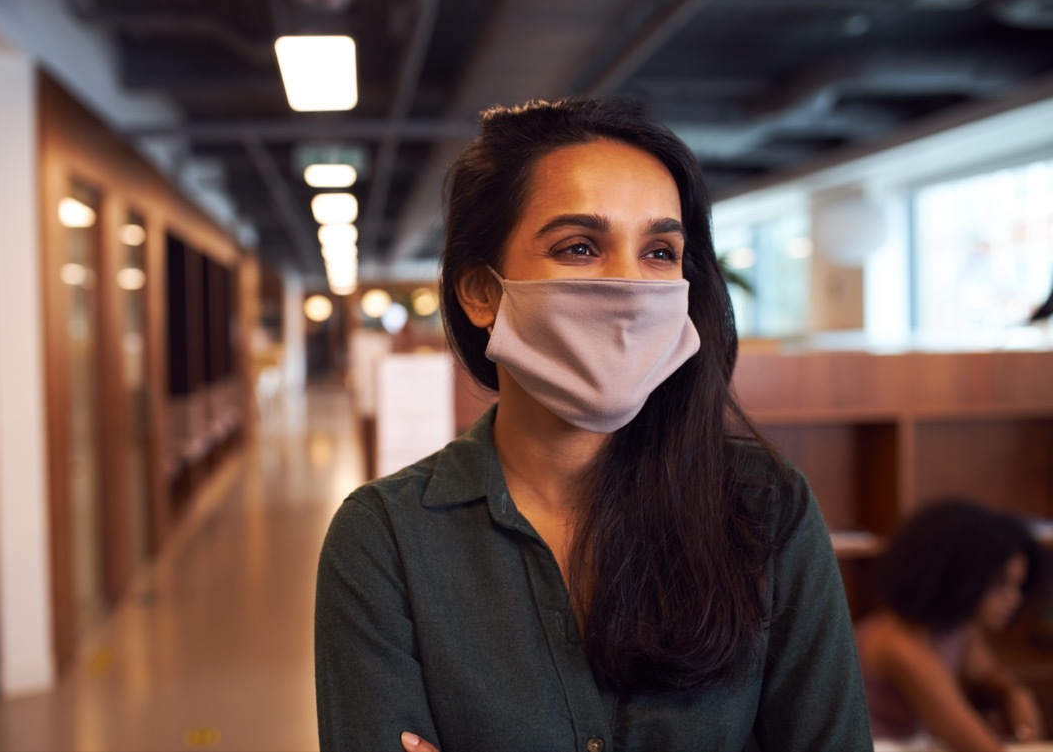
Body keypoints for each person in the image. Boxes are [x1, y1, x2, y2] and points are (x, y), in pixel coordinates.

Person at [314, 97, 871, 752]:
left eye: (660, 251)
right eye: (581, 246)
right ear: (481, 291)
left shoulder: (765, 506)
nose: (631, 290)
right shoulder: (386, 539)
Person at [857, 499, 1048, 751]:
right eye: (1001, 584)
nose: (1015, 598)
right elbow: (980, 746)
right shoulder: (900, 645)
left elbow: (987, 674)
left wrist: (1013, 693)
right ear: (959, 577)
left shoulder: (958, 626)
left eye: (1018, 585)